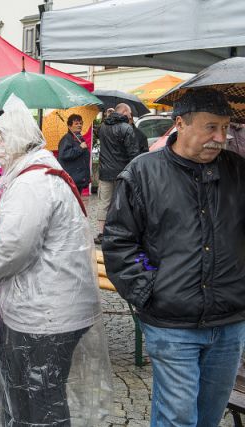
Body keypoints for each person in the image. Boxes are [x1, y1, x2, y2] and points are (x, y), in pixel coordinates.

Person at [103, 88, 245, 427]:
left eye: (225, 128)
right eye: (211, 127)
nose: (220, 137)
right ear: (180, 123)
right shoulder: (142, 172)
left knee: (208, 417)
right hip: (172, 323)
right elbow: (119, 242)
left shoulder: (238, 170)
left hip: (229, 320)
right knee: (179, 417)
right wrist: (151, 288)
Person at [0, 95, 112, 426]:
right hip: (50, 308)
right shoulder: (38, 172)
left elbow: (14, 247)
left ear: (16, 141)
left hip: (45, 314)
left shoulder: (33, 182)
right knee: (33, 393)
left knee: (41, 397)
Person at [94, 102, 140, 244]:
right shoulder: (127, 128)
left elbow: (98, 133)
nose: (131, 116)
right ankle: (119, 231)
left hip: (105, 172)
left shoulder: (103, 127)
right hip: (122, 173)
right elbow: (133, 153)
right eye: (130, 113)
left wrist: (107, 117)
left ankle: (101, 233)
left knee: (104, 202)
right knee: (122, 202)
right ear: (125, 112)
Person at [57, 113, 91, 193]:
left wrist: (87, 174)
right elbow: (64, 154)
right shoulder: (66, 139)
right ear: (69, 126)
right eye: (76, 123)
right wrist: (80, 148)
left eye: (80, 123)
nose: (79, 125)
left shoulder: (79, 138)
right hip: (71, 179)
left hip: (78, 179)